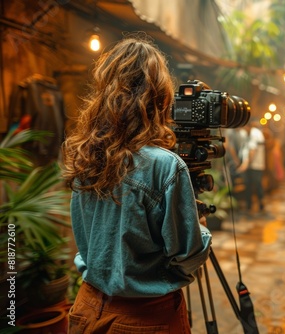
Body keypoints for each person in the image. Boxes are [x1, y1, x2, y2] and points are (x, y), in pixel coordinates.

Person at [61, 33, 212, 333]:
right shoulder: (165, 166)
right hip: (145, 317)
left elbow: (87, 241)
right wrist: (201, 227)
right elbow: (187, 257)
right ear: (159, 98)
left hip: (86, 307)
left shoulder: (85, 154)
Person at [237, 121, 266, 214]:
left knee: (257, 185)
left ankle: (261, 205)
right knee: (248, 185)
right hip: (250, 165)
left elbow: (252, 150)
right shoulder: (247, 134)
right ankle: (249, 206)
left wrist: (245, 164)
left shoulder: (255, 133)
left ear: (248, 126)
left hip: (256, 165)